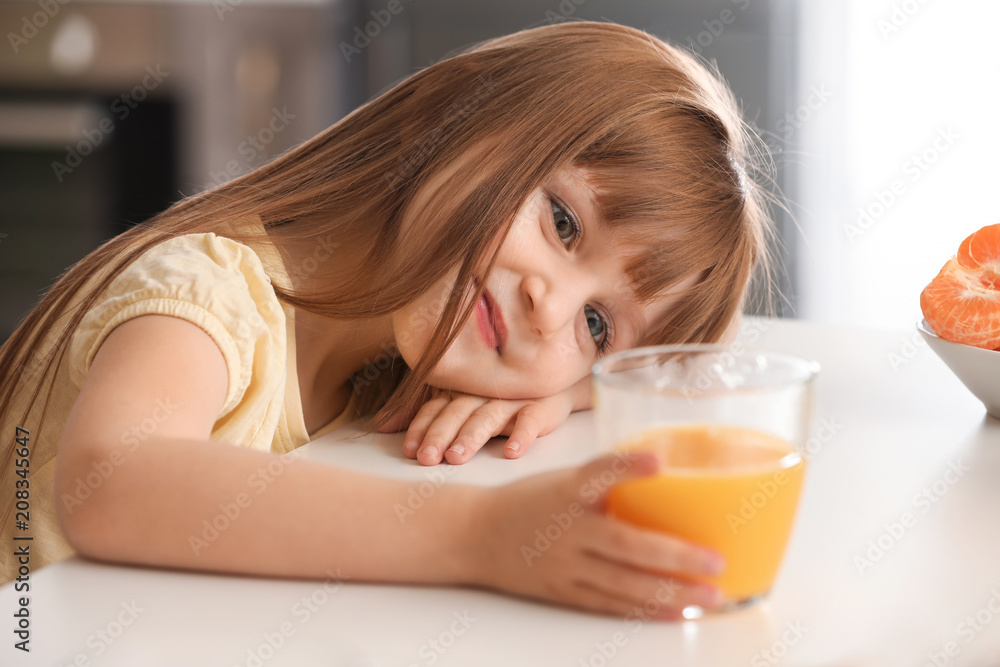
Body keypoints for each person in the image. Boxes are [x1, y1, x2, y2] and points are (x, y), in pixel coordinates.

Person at [0, 19, 777, 618]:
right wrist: (481, 534)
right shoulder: (209, 291)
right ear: (452, 117)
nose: (551, 305)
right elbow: (112, 483)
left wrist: (572, 387)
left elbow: (691, 371)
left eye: (598, 325)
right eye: (564, 223)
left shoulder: (391, 366)